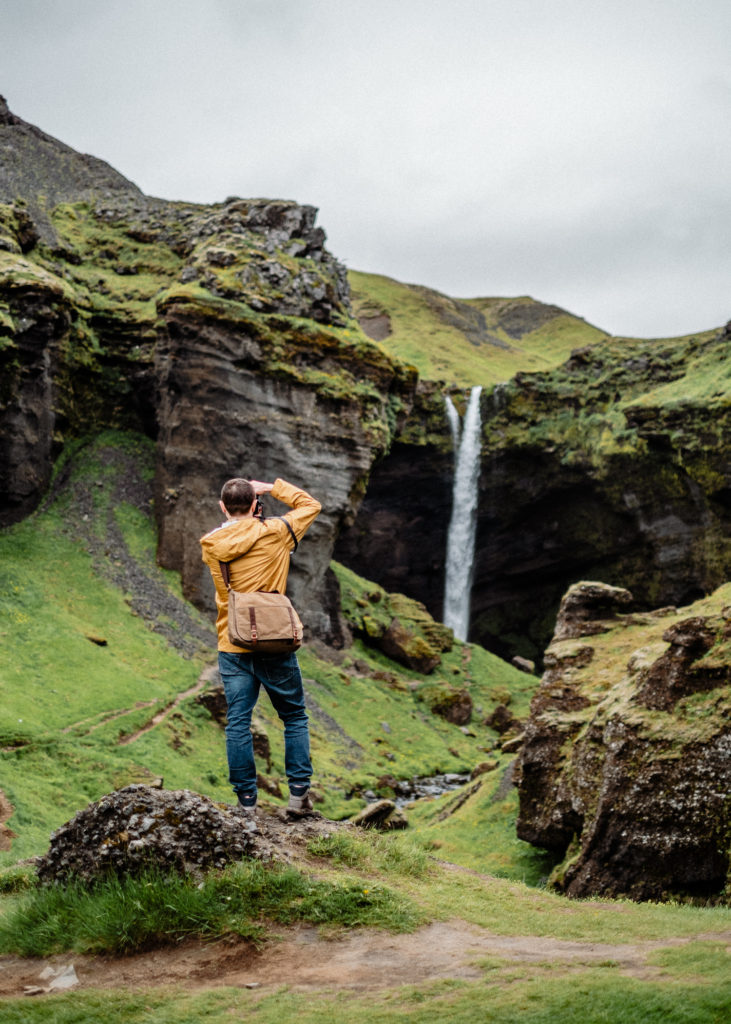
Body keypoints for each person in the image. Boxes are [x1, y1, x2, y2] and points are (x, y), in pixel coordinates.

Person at [200, 476, 321, 816]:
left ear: (223, 507)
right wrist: (273, 487)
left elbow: (226, 596)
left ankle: (246, 804)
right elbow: (311, 505)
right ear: (255, 504)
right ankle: (298, 798)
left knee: (238, 721)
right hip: (274, 640)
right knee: (294, 716)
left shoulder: (213, 544)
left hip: (233, 641)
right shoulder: (278, 531)